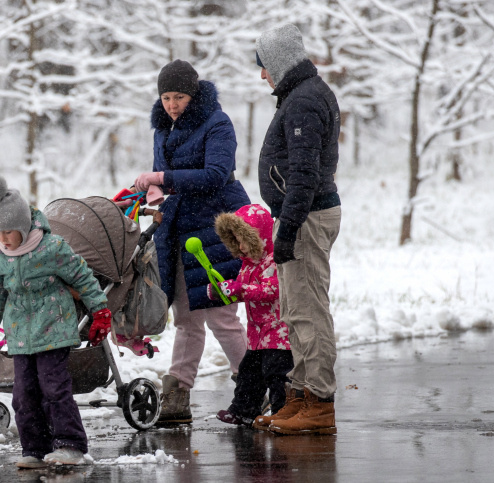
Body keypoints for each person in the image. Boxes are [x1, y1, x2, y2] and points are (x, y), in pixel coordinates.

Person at [131, 59, 251, 425]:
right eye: (166, 97)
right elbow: (166, 181)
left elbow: (216, 174)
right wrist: (153, 190)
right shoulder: (162, 129)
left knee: (221, 315)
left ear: (193, 93)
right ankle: (177, 393)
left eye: (179, 96)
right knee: (185, 318)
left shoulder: (217, 123)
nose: (172, 104)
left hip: (215, 228)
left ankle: (255, 385)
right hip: (178, 231)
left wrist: (162, 176)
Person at [0, 174, 113, 468]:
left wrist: (100, 310)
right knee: (23, 395)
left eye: (9, 232)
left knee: (54, 389)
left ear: (23, 225)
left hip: (54, 330)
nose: (3, 239)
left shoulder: (51, 248)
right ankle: (34, 449)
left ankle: (70, 444)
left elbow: (83, 278)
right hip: (20, 337)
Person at [253, 24, 342, 435]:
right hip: (298, 216)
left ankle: (319, 403)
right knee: (293, 311)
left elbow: (304, 173)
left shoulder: (304, 100)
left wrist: (288, 228)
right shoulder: (300, 95)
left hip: (304, 217)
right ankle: (301, 396)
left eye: (264, 66)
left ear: (279, 62)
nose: (261, 75)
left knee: (309, 313)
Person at [207, 204, 293, 426]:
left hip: (277, 334)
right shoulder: (248, 265)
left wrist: (240, 290)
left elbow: (272, 290)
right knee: (249, 373)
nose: (241, 246)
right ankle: (244, 409)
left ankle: (282, 412)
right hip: (257, 335)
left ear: (260, 237)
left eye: (246, 240)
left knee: (277, 375)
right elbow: (243, 290)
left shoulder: (273, 261)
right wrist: (224, 291)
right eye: (236, 240)